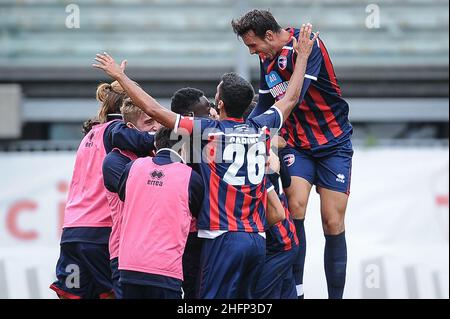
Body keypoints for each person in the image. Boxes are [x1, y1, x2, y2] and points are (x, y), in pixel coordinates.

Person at [92, 23, 318, 298]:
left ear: (220, 105)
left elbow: (153, 109)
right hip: (257, 239)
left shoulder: (207, 134)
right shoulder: (262, 129)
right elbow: (291, 97)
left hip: (222, 237)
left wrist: (120, 76)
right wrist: (303, 56)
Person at [232, 10, 353, 299]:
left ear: (270, 36)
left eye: (253, 45)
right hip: (298, 144)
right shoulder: (267, 57)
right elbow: (264, 101)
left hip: (333, 143)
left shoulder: (307, 44)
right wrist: (239, 128)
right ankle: (296, 292)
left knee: (332, 221)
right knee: (295, 207)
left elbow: (293, 96)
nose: (252, 52)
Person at [50, 80, 157, 299]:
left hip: (72, 231)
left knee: (74, 294)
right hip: (102, 231)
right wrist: (177, 135)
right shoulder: (115, 130)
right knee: (111, 293)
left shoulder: (90, 134)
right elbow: (144, 141)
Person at [103, 127, 204, 299]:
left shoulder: (132, 166)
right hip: (165, 269)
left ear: (155, 143)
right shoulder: (191, 177)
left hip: (129, 265)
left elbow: (124, 195)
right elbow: (197, 212)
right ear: (184, 147)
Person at [102, 98, 161, 299]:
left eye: (157, 120)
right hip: (126, 256)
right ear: (129, 127)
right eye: (148, 123)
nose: (156, 127)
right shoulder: (115, 161)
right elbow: (150, 200)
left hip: (161, 255)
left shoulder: (158, 156)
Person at [170, 87, 216, 299]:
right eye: (207, 109)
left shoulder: (198, 139)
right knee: (196, 292)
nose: (212, 110)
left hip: (191, 232)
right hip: (193, 234)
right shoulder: (188, 144)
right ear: (189, 117)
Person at [254, 150, 298, 299]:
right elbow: (287, 181)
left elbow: (278, 213)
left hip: (278, 243)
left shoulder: (251, 160)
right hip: (288, 240)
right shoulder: (270, 152)